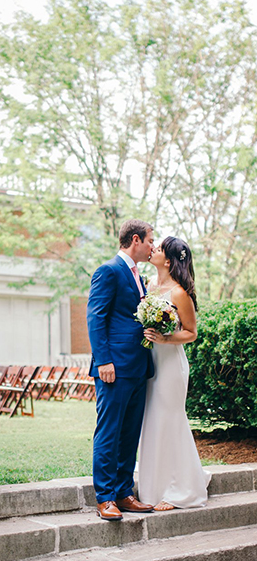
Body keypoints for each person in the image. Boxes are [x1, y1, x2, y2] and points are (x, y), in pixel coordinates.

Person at [86, 219, 155, 521]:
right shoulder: (109, 271)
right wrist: (103, 361)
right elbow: (95, 317)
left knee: (129, 434)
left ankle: (125, 493)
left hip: (139, 366)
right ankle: (105, 498)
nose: (154, 246)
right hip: (113, 368)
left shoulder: (139, 276)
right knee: (109, 432)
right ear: (136, 240)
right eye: (151, 240)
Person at [138, 237, 211, 510]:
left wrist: (165, 339)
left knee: (169, 420)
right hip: (150, 363)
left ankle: (181, 488)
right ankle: (153, 486)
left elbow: (191, 332)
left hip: (170, 365)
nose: (152, 250)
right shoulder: (149, 286)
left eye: (157, 249)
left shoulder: (179, 293)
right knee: (152, 421)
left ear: (168, 260)